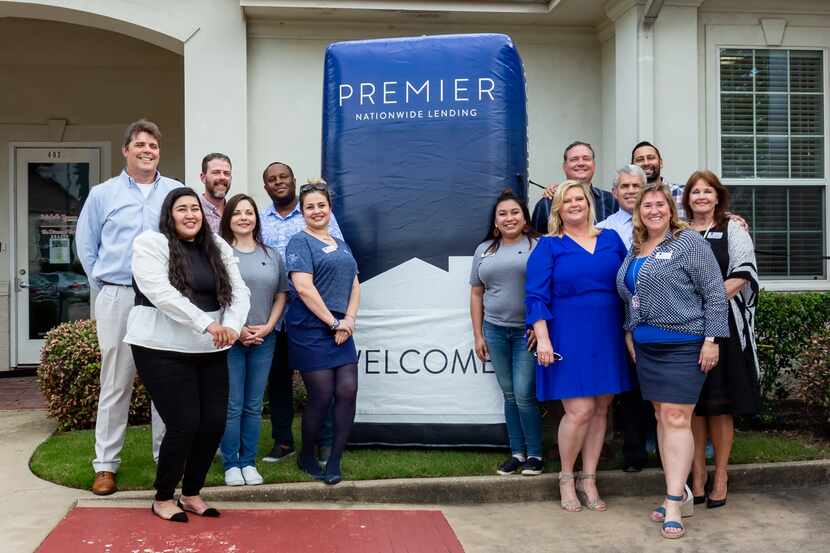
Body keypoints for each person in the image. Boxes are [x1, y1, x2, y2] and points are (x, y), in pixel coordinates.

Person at [124, 187, 250, 522]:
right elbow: (160, 293)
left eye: (195, 208)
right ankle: (164, 496)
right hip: (160, 347)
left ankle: (192, 493)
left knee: (212, 424)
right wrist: (206, 325)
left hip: (209, 347)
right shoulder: (150, 244)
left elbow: (239, 291)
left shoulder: (217, 246)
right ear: (169, 214)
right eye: (182, 209)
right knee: (184, 423)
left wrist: (233, 327)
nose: (190, 214)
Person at [616, 182, 728, 539]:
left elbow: (714, 292)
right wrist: (630, 333)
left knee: (677, 417)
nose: (653, 210)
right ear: (638, 212)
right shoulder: (636, 248)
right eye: (646, 205)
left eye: (659, 205)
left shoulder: (688, 242)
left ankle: (674, 502)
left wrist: (712, 340)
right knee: (662, 418)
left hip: (684, 345)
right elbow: (630, 296)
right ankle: (680, 491)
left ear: (671, 209)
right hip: (647, 348)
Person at [75, 119, 180, 495]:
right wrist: (104, 286)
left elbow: (187, 240)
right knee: (116, 381)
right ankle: (105, 465)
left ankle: (165, 459)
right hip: (118, 294)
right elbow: (86, 247)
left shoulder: (175, 192)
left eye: (152, 145)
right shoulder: (103, 194)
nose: (147, 151)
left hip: (162, 298)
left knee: (165, 382)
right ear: (126, 150)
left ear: (158, 151)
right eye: (140, 145)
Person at [525, 181, 632, 512]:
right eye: (566, 200)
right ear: (557, 208)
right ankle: (567, 477)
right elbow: (535, 295)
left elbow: (631, 278)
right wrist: (542, 337)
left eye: (579, 199)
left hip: (608, 333)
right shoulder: (548, 246)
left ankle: (590, 477)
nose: (574, 204)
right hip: (567, 334)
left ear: (589, 203)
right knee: (579, 410)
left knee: (601, 407)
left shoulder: (612, 240)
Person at [683, 171, 760, 509]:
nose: (700, 196)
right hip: (687, 329)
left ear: (717, 197)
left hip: (725, 328)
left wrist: (708, 302)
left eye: (706, 191)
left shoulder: (733, 229)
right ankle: (697, 476)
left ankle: (722, 474)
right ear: (687, 199)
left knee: (720, 405)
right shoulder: (679, 233)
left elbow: (742, 275)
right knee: (694, 407)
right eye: (694, 192)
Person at [259, 163, 342, 465]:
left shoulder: (313, 212)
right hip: (274, 313)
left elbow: (340, 255)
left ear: (293, 181)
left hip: (311, 313)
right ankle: (283, 441)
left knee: (319, 383)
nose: (278, 182)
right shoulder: (260, 219)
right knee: (278, 381)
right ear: (265, 186)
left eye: (283, 177)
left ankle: (325, 441)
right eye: (271, 179)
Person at [285, 180, 360, 486]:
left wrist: (350, 320)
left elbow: (355, 283)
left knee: (347, 391)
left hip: (342, 328)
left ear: (329, 208)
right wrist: (333, 323)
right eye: (310, 207)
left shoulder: (340, 243)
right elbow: (304, 287)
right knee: (322, 394)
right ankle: (307, 455)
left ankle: (335, 459)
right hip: (312, 328)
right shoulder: (299, 242)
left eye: (321, 205)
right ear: (302, 212)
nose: (316, 211)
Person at [470, 189, 543, 477]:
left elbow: (548, 290)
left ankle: (535, 454)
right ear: (495, 221)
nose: (509, 217)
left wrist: (541, 328)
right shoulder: (484, 250)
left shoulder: (537, 245)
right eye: (503, 213)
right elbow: (477, 294)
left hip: (527, 332)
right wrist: (478, 335)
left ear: (524, 218)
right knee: (510, 394)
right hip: (495, 331)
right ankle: (516, 453)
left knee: (525, 394)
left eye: (515, 212)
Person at [218, 194, 288, 486]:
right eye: (238, 213)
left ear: (256, 219)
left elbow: (281, 294)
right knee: (232, 404)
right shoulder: (219, 253)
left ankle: (249, 462)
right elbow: (216, 297)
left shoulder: (271, 255)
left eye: (249, 212)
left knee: (254, 404)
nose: (244, 217)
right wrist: (238, 328)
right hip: (231, 338)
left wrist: (269, 327)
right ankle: (231, 463)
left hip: (264, 338)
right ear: (229, 219)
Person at [597, 165, 655, 473]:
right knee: (630, 387)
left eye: (636, 185)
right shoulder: (603, 229)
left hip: (659, 313)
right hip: (618, 312)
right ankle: (634, 453)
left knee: (658, 383)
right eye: (624, 186)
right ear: (614, 192)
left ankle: (659, 445)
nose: (630, 190)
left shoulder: (661, 224)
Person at [530, 141, 617, 234]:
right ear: (564, 166)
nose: (581, 163)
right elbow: (536, 241)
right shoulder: (547, 204)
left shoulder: (611, 201)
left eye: (586, 158)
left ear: (594, 165)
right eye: (574, 159)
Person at [199, 153, 233, 233]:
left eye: (226, 173)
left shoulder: (235, 212)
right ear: (203, 178)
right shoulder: (195, 212)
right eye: (216, 172)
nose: (222, 177)